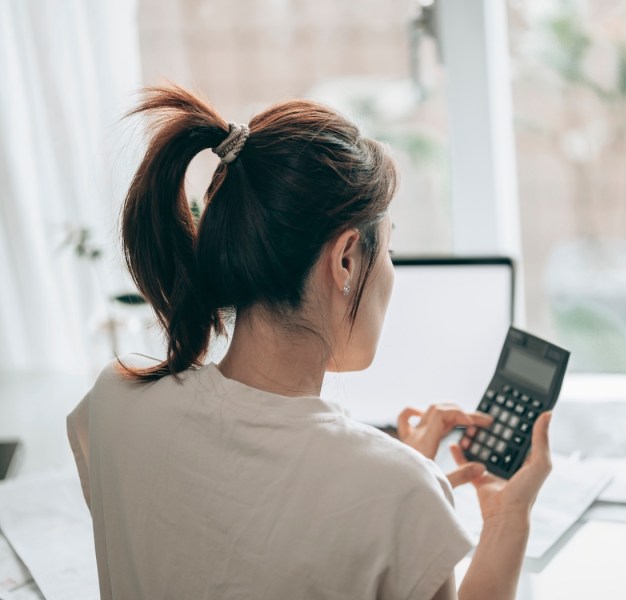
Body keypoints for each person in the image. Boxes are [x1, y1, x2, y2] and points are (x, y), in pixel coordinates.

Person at [67, 85, 553, 600]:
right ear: (345, 259)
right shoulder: (398, 492)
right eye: (388, 247)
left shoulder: (113, 402)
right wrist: (506, 517)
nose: (390, 272)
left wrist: (392, 487)